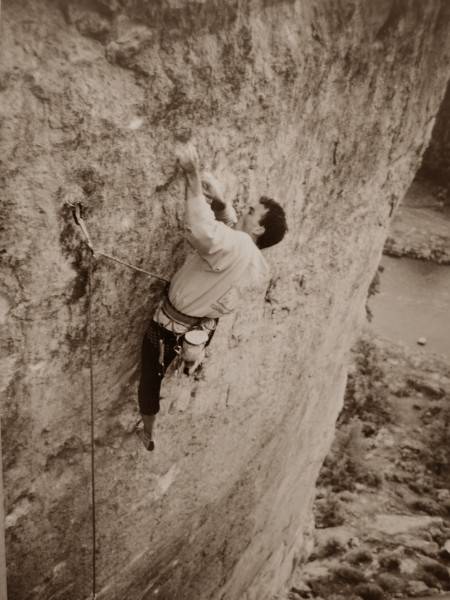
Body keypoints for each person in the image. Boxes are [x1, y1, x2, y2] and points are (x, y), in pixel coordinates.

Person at [137, 143, 288, 450]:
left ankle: (149, 433)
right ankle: (193, 360)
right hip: (201, 326)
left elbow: (203, 232)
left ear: (258, 227)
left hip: (168, 327)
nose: (244, 209)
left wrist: (192, 177)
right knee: (177, 359)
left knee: (149, 382)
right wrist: (221, 203)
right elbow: (230, 233)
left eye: (251, 210)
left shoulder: (237, 246)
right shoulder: (257, 262)